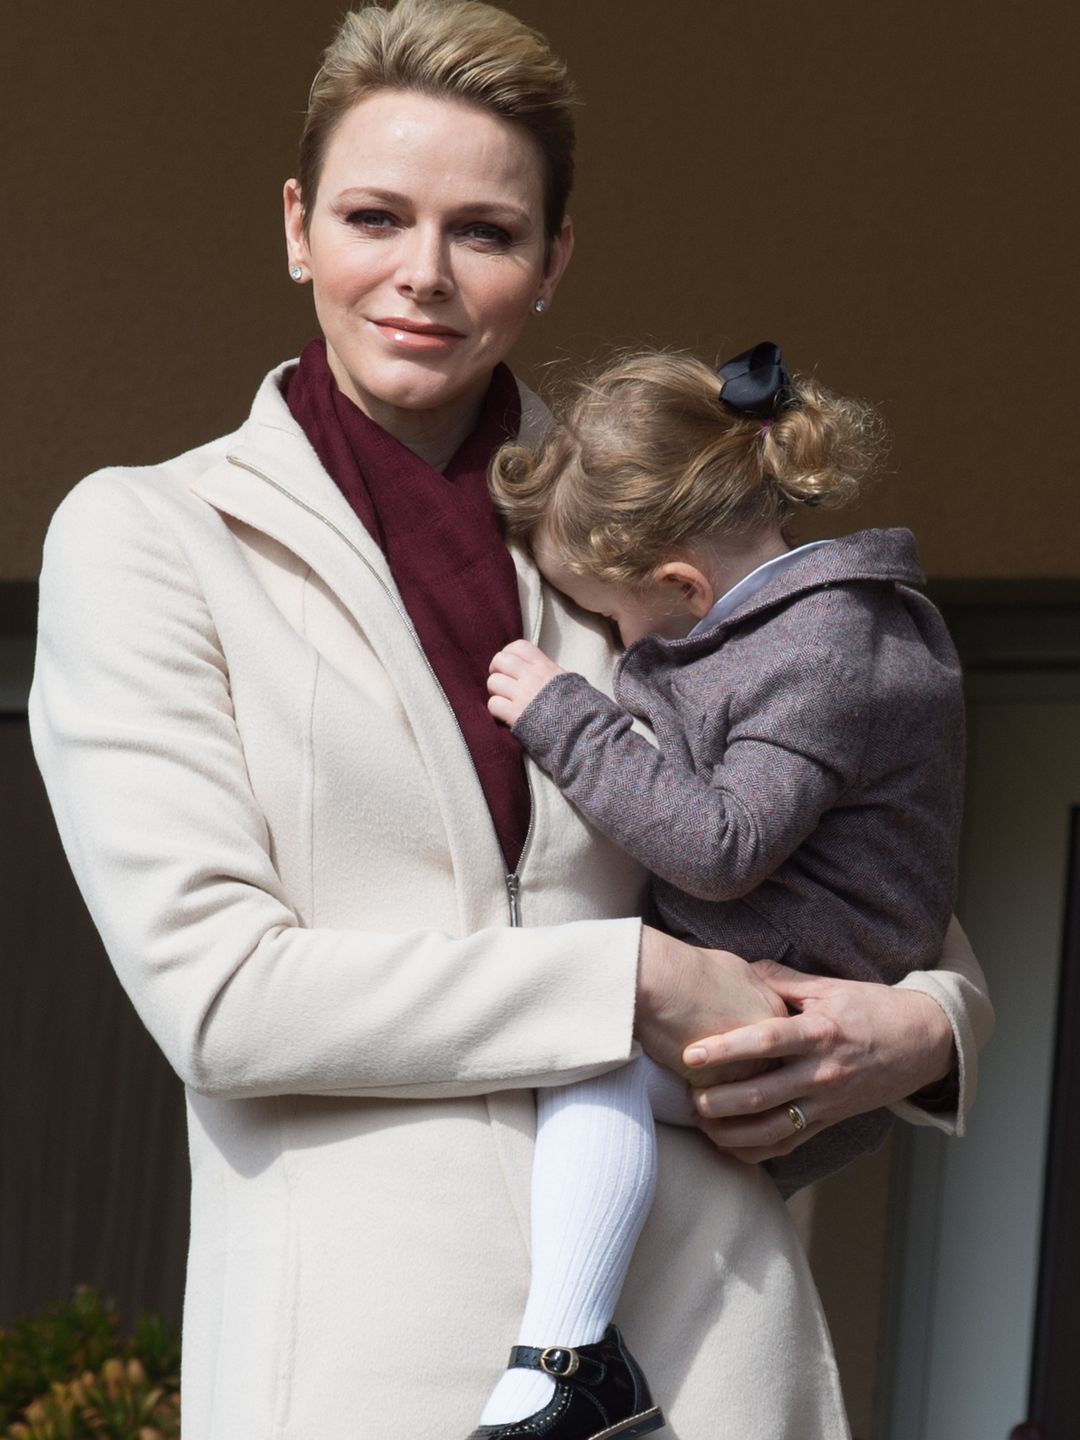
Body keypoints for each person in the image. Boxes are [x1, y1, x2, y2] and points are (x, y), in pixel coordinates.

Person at [27, 3, 992, 1438]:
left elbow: (875, 858)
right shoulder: (151, 538)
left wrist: (931, 1029)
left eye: (484, 231)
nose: (421, 275)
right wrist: (634, 983)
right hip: (366, 1356)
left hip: (717, 1342)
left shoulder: (644, 518)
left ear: (553, 263)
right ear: (297, 225)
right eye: (373, 215)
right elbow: (220, 999)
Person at [483, 342, 964, 1434]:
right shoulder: (784, 625)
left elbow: (720, 843)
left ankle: (565, 1367)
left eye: (608, 616)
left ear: (682, 585)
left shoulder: (829, 649)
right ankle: (578, 1363)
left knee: (581, 1048)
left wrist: (567, 715)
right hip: (767, 993)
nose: (617, 644)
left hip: (791, 1022)